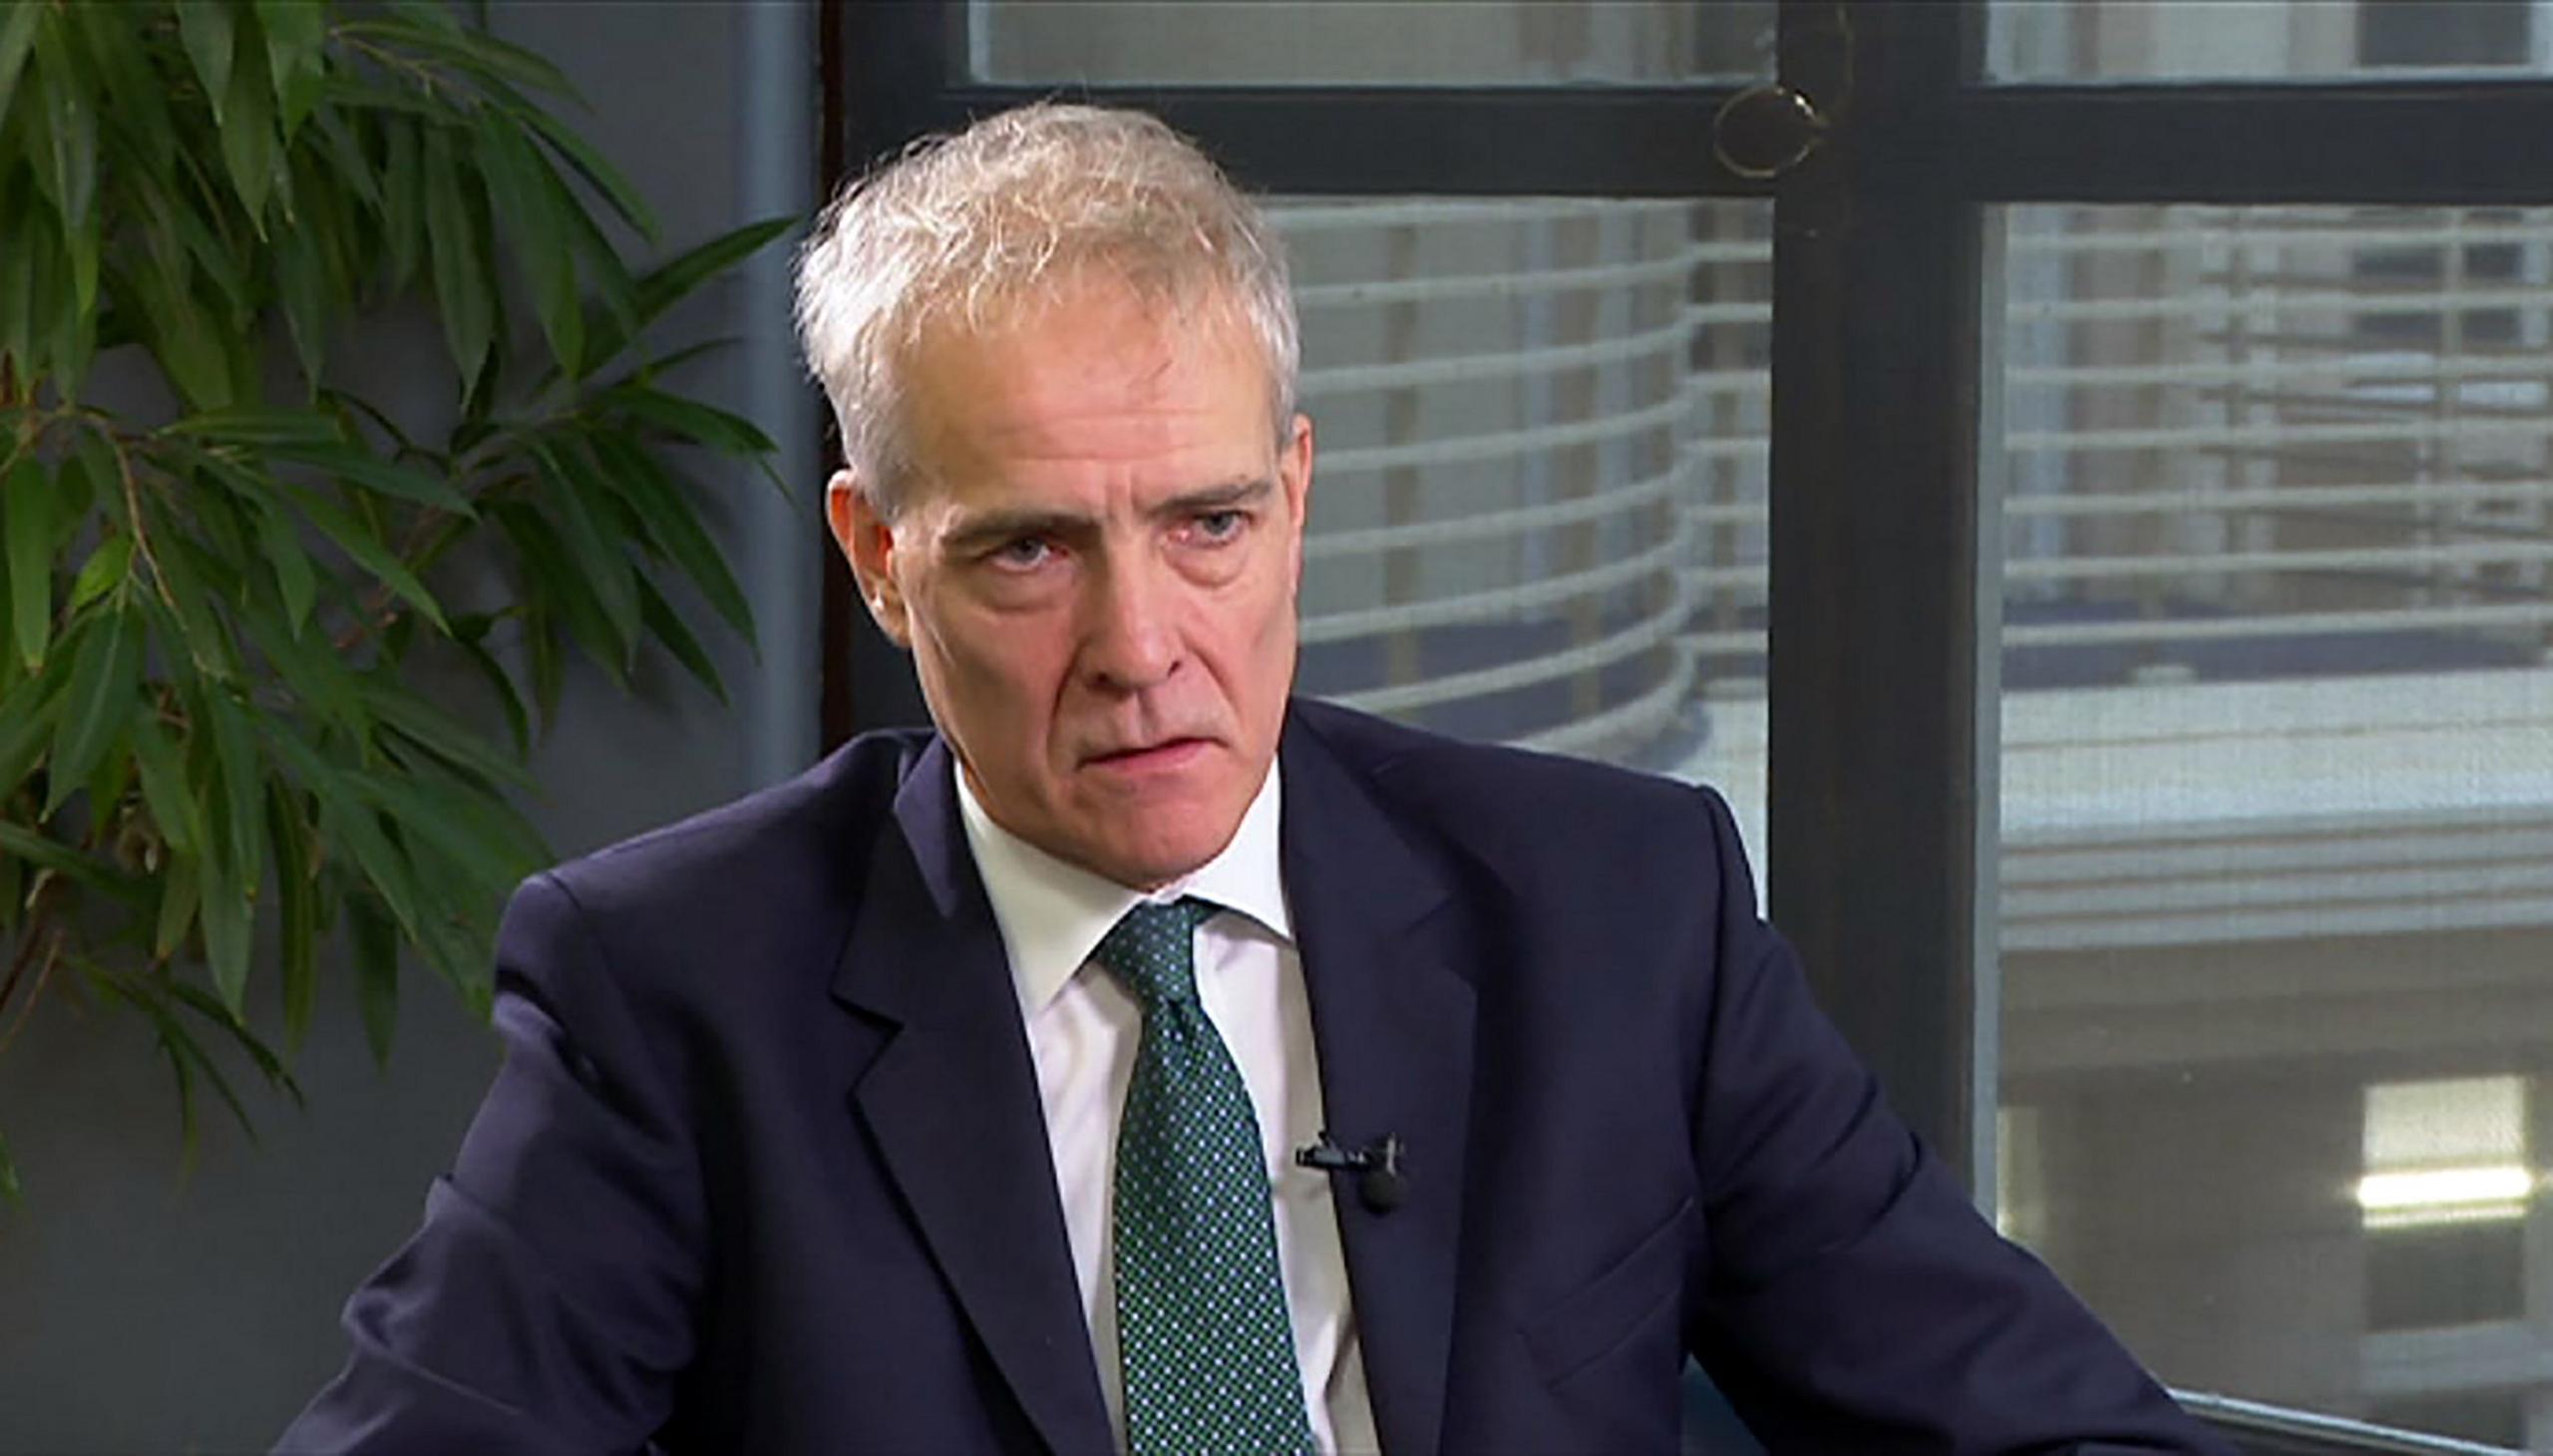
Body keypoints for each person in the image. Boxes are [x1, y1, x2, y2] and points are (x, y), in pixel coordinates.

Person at [280, 103, 2227, 1455]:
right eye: (1028, 547)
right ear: (879, 557)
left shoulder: (1618, 913)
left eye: (1206, 522)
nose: (1142, 644)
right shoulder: (680, 985)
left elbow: (2044, 1425)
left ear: (1293, 498)